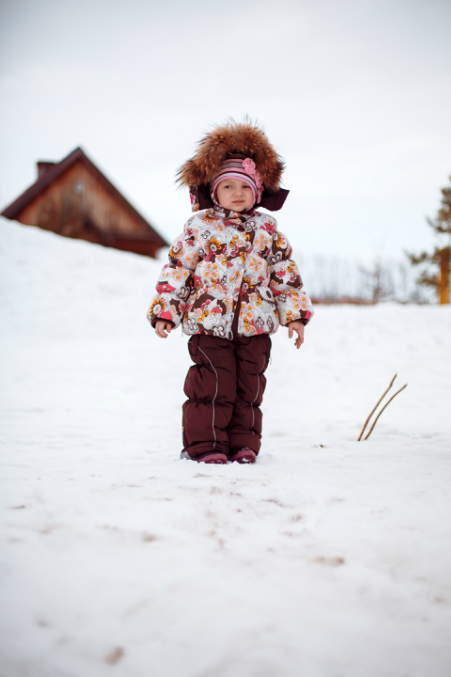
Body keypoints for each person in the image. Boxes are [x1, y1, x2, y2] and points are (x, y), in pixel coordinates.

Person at [147, 121, 313, 464]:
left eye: (245, 186)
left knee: (248, 389)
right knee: (212, 386)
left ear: (258, 191)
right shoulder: (200, 228)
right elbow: (178, 270)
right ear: (214, 191)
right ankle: (205, 446)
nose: (237, 193)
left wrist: (295, 316)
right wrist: (166, 310)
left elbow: (284, 273)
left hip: (255, 326)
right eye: (228, 186)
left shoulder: (268, 230)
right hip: (209, 326)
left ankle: (243, 445)